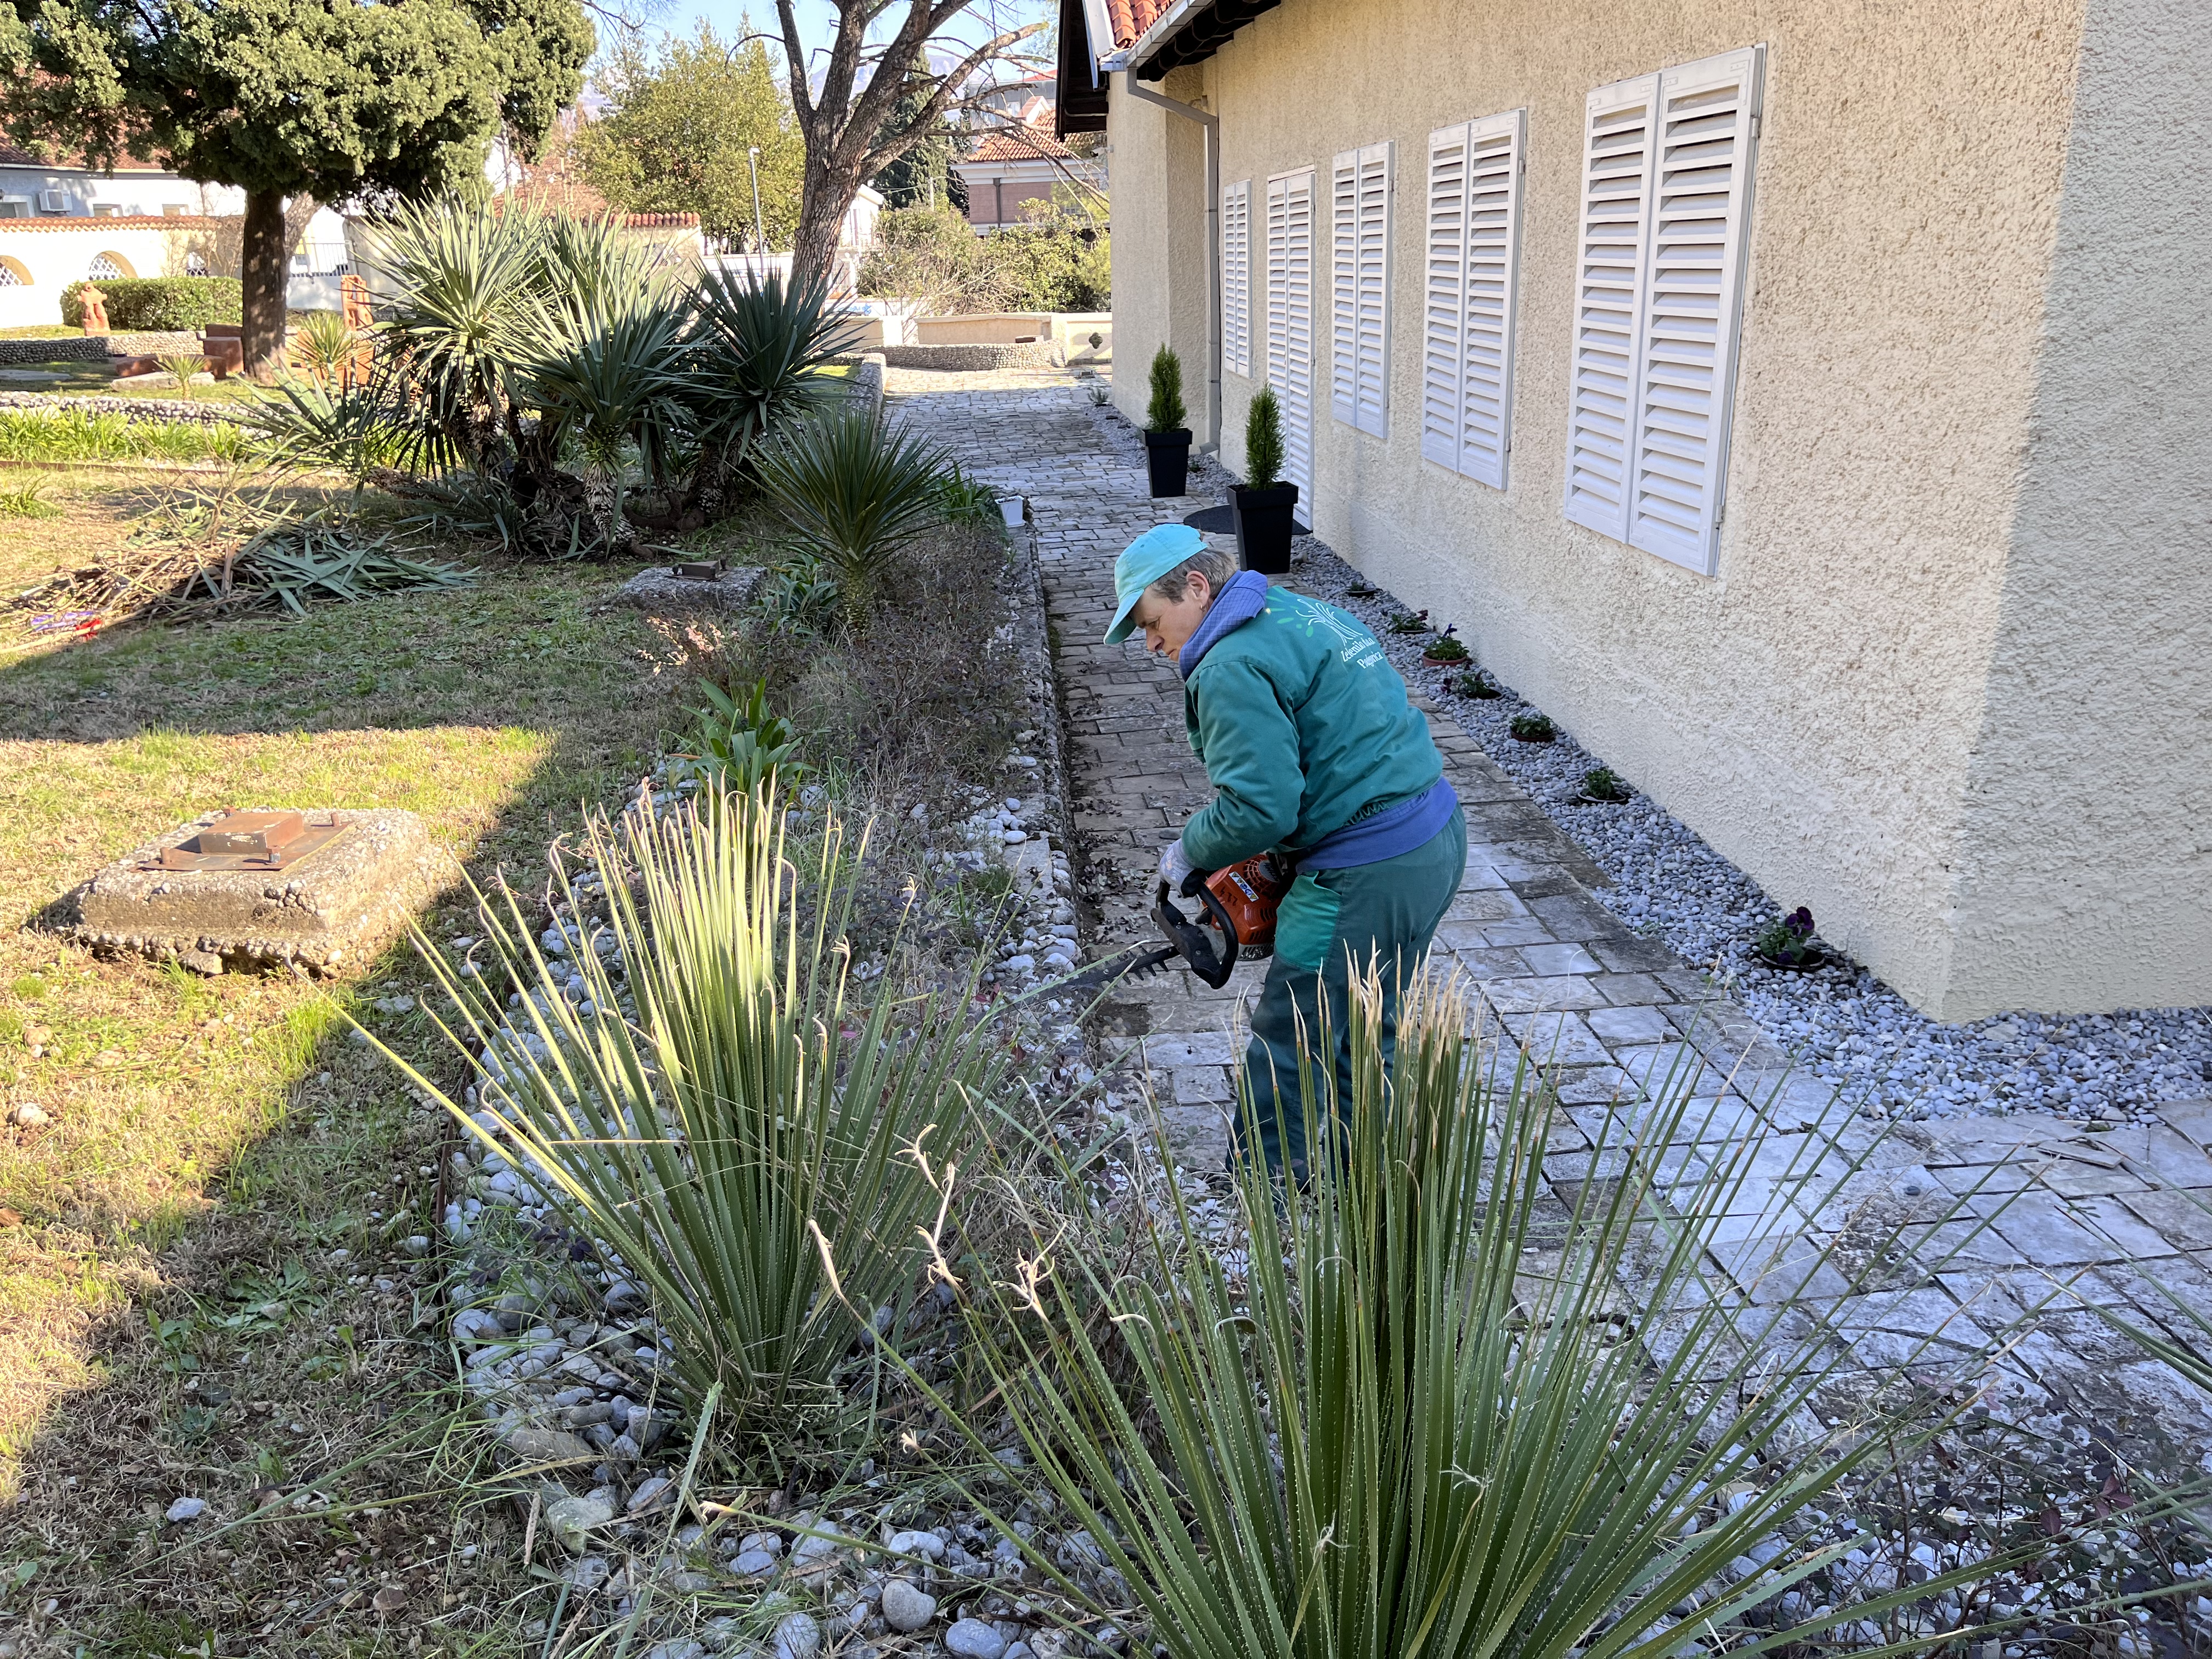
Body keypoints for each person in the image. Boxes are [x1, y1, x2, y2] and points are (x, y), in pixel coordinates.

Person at [1104, 523, 1467, 1175]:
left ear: (1195, 586)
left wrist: (1189, 852)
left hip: (1363, 872)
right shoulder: (1303, 611)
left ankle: (1264, 1193)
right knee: (1367, 1024)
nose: (1153, 643)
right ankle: (1374, 1183)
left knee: (1292, 1033)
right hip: (1433, 839)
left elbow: (1259, 807)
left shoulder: (1228, 664)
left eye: (1153, 622)